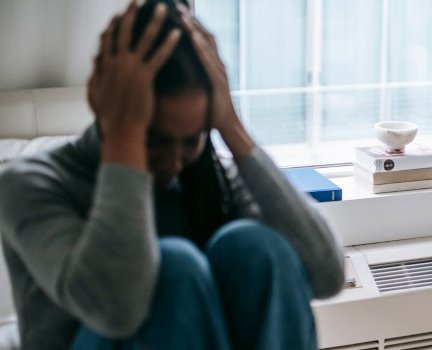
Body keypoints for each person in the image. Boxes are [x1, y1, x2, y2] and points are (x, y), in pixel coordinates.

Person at [0, 0, 344, 349]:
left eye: (190, 139)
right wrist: (125, 136)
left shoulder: (210, 178)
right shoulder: (30, 183)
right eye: (154, 139)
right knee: (175, 268)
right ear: (100, 99)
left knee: (255, 246)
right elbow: (115, 310)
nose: (174, 162)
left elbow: (328, 276)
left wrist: (232, 129)